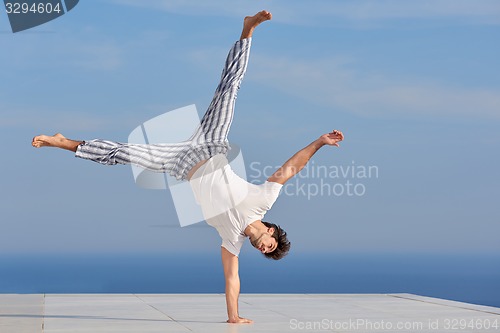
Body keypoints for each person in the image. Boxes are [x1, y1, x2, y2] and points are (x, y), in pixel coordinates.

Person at [32, 10, 344, 324]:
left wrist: (233, 317)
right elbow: (291, 168)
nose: (264, 248)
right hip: (211, 145)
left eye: (265, 252)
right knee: (229, 89)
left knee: (123, 155)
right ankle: (248, 30)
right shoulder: (262, 201)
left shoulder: (231, 238)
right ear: (272, 231)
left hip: (181, 162)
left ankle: (66, 142)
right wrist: (319, 142)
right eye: (270, 244)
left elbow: (231, 279)